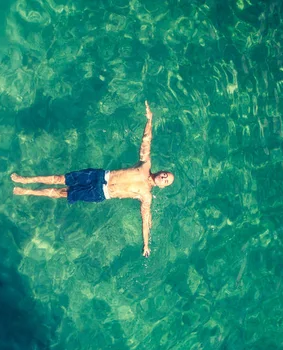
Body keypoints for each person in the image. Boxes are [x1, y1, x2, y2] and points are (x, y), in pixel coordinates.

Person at [11, 101, 174, 257]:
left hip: (100, 192)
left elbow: (145, 220)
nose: (164, 177)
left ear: (163, 187)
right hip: (100, 175)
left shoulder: (146, 196)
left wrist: (146, 245)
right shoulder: (145, 165)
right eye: (166, 174)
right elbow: (146, 141)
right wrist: (150, 120)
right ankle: (25, 179)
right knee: (60, 178)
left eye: (166, 181)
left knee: (63, 193)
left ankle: (28, 191)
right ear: (161, 171)